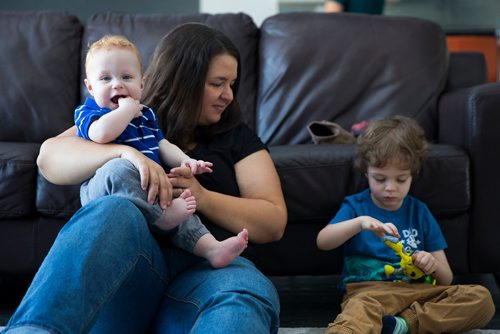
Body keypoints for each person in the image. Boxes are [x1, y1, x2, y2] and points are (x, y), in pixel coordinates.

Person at [2, 23, 287, 334]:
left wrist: (202, 197)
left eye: (232, 84)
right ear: (184, 81)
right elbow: (49, 159)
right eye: (218, 83)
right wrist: (125, 154)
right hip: (131, 273)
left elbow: (272, 222)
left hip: (210, 275)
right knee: (113, 209)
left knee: (241, 296)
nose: (228, 96)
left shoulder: (238, 139)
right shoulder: (127, 117)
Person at [76, 34, 248, 269]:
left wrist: (188, 161)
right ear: (90, 87)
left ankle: (212, 248)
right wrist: (126, 112)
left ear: (141, 84)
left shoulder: (146, 114)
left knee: (180, 202)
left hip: (147, 187)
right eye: (105, 78)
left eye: (127, 77)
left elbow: (163, 145)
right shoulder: (90, 111)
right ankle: (161, 217)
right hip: (104, 188)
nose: (117, 84)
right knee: (118, 168)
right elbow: (101, 134)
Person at [316, 116, 495, 334]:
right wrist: (359, 223)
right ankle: (401, 325)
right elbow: (323, 241)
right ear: (366, 173)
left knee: (481, 299)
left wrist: (430, 264)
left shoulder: (419, 212)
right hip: (370, 293)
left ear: (413, 175)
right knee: (358, 312)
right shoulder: (356, 206)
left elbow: (446, 278)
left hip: (419, 292)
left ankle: (403, 325)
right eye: (380, 179)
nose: (390, 188)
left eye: (400, 180)